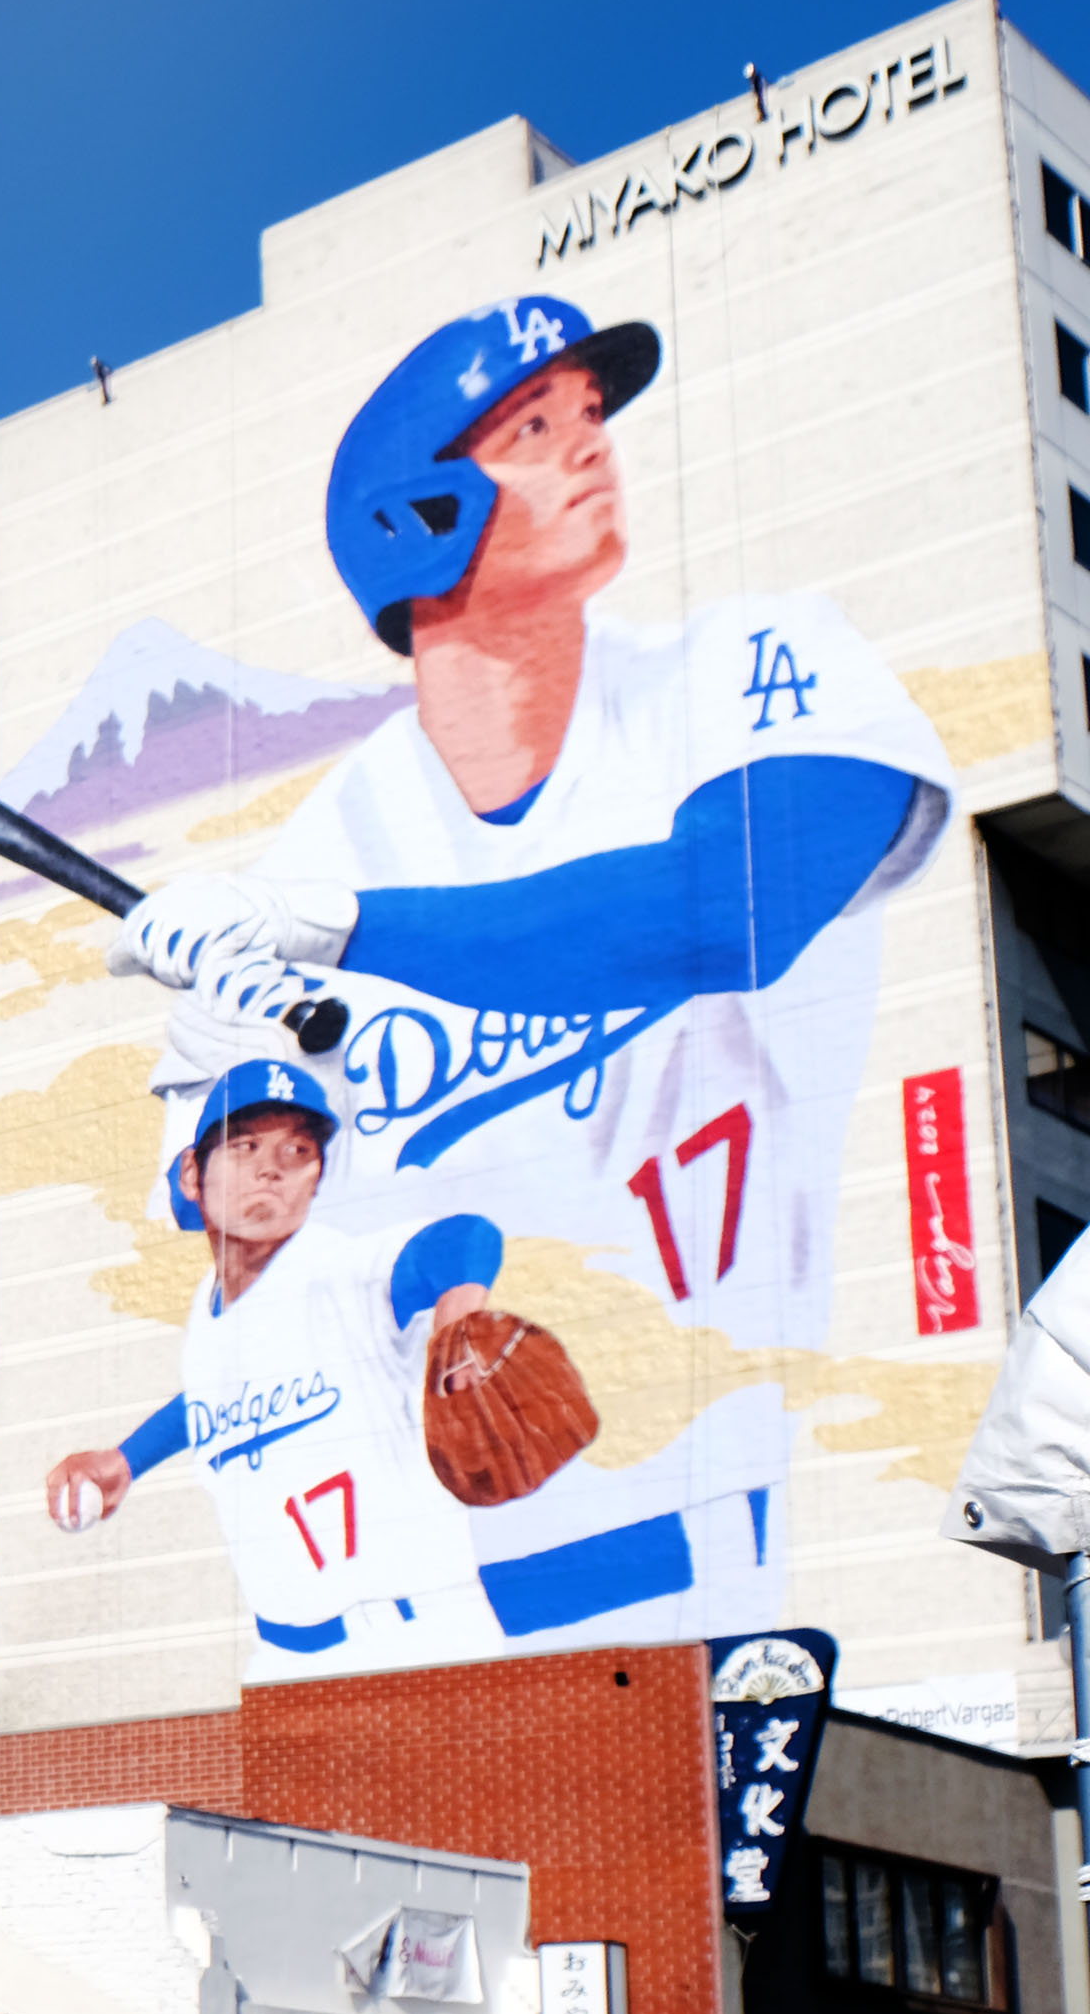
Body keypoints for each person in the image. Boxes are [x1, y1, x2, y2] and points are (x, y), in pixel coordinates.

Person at [104, 292, 956, 1652]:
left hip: (697, 1548)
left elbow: (726, 908)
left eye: (593, 415)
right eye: (535, 426)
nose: (593, 445)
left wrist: (333, 930)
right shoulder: (307, 859)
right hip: (392, 1606)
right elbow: (225, 1234)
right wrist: (235, 1055)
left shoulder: (748, 668)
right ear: (416, 517)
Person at [44, 1059, 526, 1681]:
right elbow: (210, 1399)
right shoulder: (211, 1309)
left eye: (298, 1149)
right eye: (244, 1146)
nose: (273, 1166)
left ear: (316, 1177)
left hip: (417, 1641)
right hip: (283, 1661)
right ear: (194, 1173)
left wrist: (460, 1312)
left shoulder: (336, 1272)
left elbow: (461, 1237)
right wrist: (126, 1459)